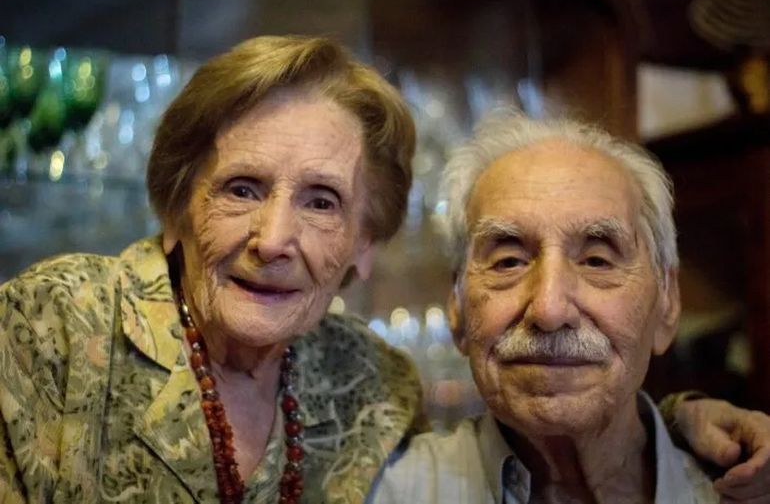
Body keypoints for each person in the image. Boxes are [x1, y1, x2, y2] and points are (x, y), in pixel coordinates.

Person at [0, 36, 766, 504]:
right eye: (241, 188)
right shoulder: (48, 326)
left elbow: (585, 420)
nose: (274, 238)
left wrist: (681, 423)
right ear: (176, 206)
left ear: (364, 245)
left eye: (323, 202)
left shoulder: (371, 388)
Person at [369, 112, 770, 503]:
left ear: (667, 303)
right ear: (456, 308)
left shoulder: (743, 489)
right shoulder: (379, 493)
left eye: (597, 260)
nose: (548, 309)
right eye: (509, 262)